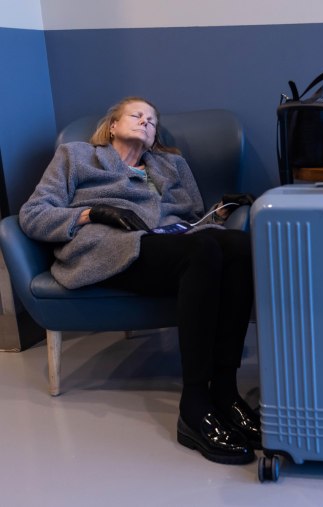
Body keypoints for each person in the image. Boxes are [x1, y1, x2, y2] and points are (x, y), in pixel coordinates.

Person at [19, 96, 260, 465]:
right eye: (137, 115)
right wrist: (91, 212)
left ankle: (226, 393)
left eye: (152, 120)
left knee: (238, 245)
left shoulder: (172, 165)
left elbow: (195, 220)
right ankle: (194, 406)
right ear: (112, 125)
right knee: (202, 252)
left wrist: (222, 211)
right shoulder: (75, 156)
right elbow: (34, 214)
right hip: (106, 247)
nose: (146, 122)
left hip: (166, 244)